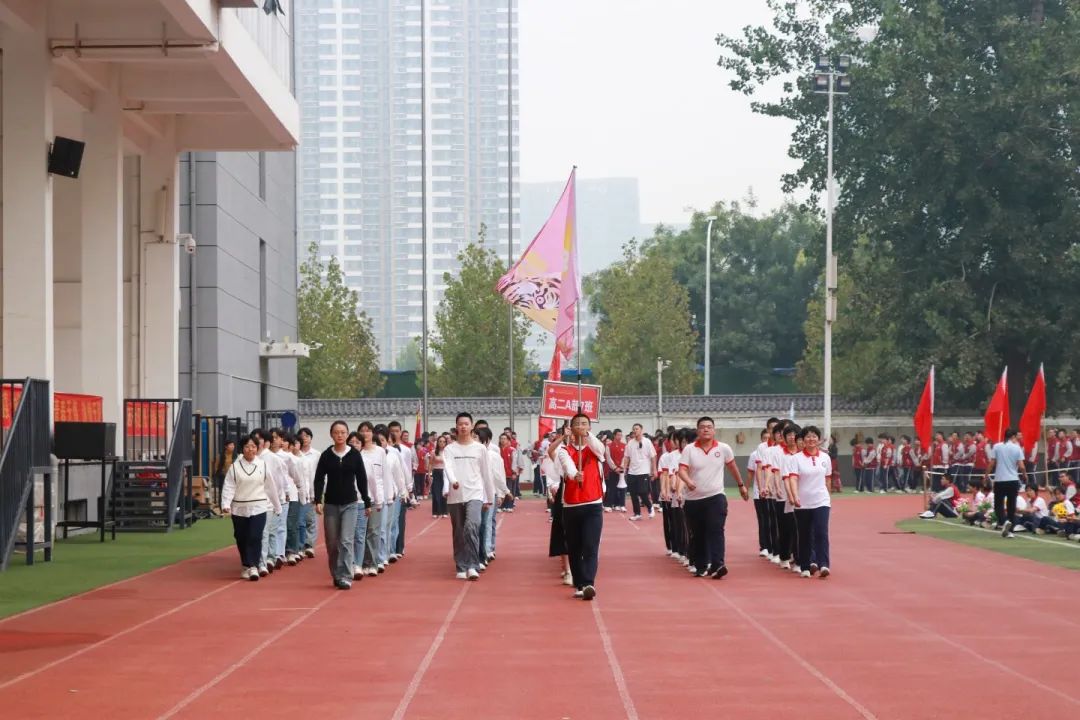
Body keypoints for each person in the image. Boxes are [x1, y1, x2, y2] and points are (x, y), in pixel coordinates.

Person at [678, 416, 747, 579]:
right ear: (697, 431)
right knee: (698, 533)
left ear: (714, 430)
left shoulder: (723, 448)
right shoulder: (689, 449)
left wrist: (741, 485)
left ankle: (718, 564)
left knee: (716, 529)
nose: (706, 429)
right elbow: (681, 470)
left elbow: (732, 467)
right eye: (702, 427)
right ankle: (701, 566)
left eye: (709, 427)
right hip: (694, 500)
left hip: (716, 496)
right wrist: (688, 481)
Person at [549, 413, 606, 600]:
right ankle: (579, 583)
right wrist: (575, 475)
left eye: (585, 424)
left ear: (589, 427)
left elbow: (601, 450)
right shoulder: (565, 450)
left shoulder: (594, 448)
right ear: (571, 428)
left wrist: (588, 436)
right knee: (574, 547)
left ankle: (589, 582)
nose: (581, 426)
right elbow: (568, 466)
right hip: (571, 505)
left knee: (591, 545)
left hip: (593, 504)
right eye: (577, 424)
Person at [313, 420, 372, 590]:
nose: (339, 435)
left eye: (343, 432)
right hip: (331, 504)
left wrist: (367, 501)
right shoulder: (326, 455)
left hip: (350, 504)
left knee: (346, 540)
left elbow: (362, 478)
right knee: (332, 543)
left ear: (347, 434)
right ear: (332, 434)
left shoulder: (354, 454)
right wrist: (318, 500)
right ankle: (336, 574)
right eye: (336, 432)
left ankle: (346, 575)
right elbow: (318, 479)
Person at [221, 434, 282, 580]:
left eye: (253, 446)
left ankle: (253, 566)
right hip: (240, 508)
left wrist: (277, 505)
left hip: (259, 506)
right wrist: (225, 504)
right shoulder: (235, 467)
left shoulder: (263, 465)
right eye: (247, 446)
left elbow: (270, 487)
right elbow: (229, 486)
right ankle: (245, 565)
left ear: (258, 448)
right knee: (241, 537)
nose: (250, 449)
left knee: (255, 536)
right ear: (242, 449)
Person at [442, 412, 493, 580]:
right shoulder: (450, 449)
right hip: (456, 496)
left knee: (472, 525)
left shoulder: (480, 449)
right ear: (456, 427)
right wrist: (453, 481)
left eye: (466, 423)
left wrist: (489, 496)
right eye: (460, 424)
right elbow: (448, 467)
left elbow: (486, 474)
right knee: (458, 531)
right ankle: (461, 566)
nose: (463, 426)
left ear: (472, 426)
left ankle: (472, 564)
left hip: (475, 494)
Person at [787, 425, 832, 578]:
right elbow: (793, 478)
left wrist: (828, 495)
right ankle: (806, 565)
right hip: (803, 502)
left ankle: (824, 564)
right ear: (803, 440)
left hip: (821, 501)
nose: (811, 439)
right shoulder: (796, 459)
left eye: (814, 436)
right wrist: (794, 496)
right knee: (805, 535)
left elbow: (828, 478)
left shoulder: (825, 458)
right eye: (807, 436)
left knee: (821, 532)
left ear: (818, 440)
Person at [984, 428, 1027, 538]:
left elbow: (992, 463)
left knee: (998, 504)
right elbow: (1021, 466)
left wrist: (986, 475)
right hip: (1013, 479)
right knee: (1011, 505)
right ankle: (1010, 529)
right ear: (1013, 436)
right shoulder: (1017, 448)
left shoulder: (997, 446)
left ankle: (1003, 522)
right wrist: (1024, 475)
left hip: (1000, 480)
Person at [357, 422, 387, 576]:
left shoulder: (380, 452)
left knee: (373, 531)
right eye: (362, 431)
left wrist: (382, 497)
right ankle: (361, 563)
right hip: (360, 499)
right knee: (360, 533)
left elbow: (382, 476)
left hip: (376, 497)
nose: (365, 434)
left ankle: (373, 563)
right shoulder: (357, 452)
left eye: (368, 431)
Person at [622, 423, 656, 520]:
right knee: (633, 494)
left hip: (644, 471)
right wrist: (624, 469)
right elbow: (626, 457)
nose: (635, 430)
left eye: (637, 429)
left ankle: (650, 507)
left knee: (642, 492)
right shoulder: (630, 443)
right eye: (634, 429)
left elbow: (653, 456)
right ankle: (637, 514)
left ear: (641, 430)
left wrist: (654, 470)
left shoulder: (647, 442)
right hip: (632, 472)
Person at [297, 428, 320, 558]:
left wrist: (318, 493)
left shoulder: (316, 454)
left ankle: (309, 545)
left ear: (311, 438)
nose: (304, 438)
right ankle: (301, 545)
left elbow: (320, 475)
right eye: (302, 436)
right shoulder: (296, 454)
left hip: (312, 491)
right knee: (300, 521)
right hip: (300, 492)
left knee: (311, 519)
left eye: (307, 436)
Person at [212, 439, 236, 512]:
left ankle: (232, 508)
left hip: (234, 476)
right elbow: (216, 467)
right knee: (222, 492)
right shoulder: (220, 456)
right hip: (223, 476)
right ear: (226, 446)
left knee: (234, 492)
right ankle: (222, 509)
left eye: (233, 445)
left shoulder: (236, 455)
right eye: (230, 445)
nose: (232, 446)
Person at [430, 434, 449, 518]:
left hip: (445, 473)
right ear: (437, 442)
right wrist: (429, 474)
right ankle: (436, 511)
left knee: (444, 492)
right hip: (436, 473)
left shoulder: (448, 452)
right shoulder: (433, 452)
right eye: (440, 441)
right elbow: (430, 464)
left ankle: (444, 511)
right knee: (436, 492)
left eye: (444, 442)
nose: (442, 443)